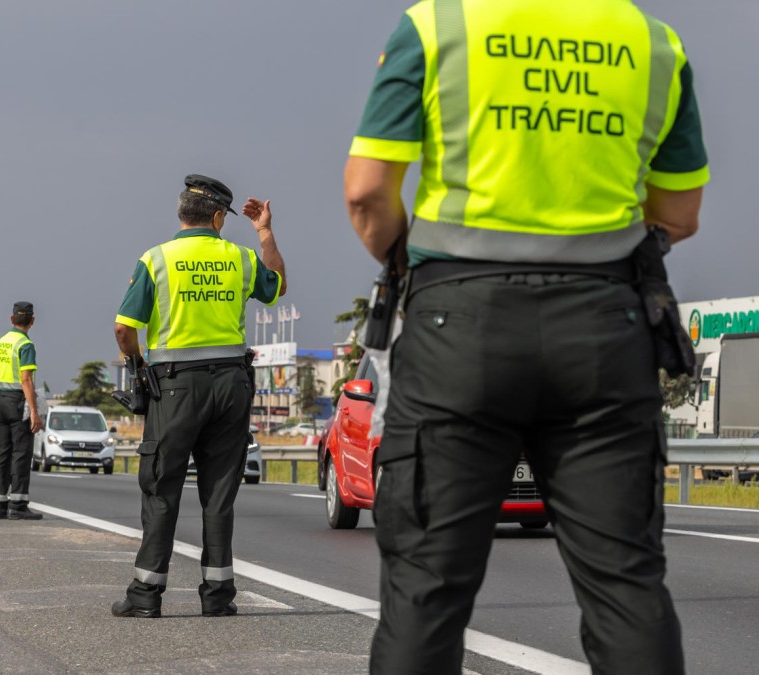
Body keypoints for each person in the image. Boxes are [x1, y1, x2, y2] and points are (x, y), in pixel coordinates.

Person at [344, 1, 708, 673]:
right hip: (605, 326)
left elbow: (367, 192)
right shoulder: (654, 43)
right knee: (626, 586)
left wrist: (401, 260)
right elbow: (679, 210)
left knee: (426, 590)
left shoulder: (434, 26)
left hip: (458, 326)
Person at [110, 174, 286, 618]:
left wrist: (136, 367)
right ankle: (218, 597)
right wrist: (264, 232)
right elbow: (278, 285)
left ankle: (146, 596)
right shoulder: (242, 258)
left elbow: (123, 328)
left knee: (162, 485)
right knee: (220, 492)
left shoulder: (157, 259)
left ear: (180, 214)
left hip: (175, 387)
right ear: (216, 217)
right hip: (232, 386)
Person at [0, 301, 43, 520]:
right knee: (21, 453)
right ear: (32, 321)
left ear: (12, 319)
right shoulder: (25, 345)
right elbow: (26, 379)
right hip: (17, 401)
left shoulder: (1, 342)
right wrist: (34, 411)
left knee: (3, 452)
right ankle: (19, 505)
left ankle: (0, 504)